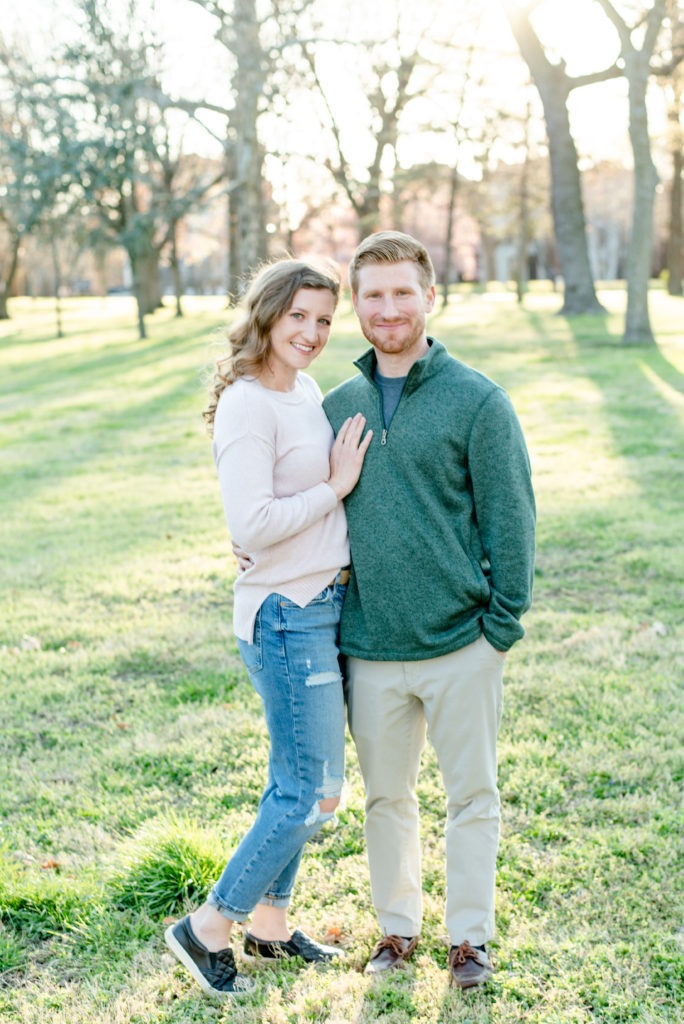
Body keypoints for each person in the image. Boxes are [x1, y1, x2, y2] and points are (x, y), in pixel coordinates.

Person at [322, 231, 536, 990]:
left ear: (430, 297)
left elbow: (512, 521)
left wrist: (499, 628)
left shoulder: (477, 400)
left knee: (471, 795)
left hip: (460, 643)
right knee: (387, 797)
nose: (388, 309)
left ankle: (469, 941)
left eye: (402, 292)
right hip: (370, 645)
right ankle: (397, 930)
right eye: (373, 294)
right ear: (356, 304)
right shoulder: (335, 405)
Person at [165, 257, 372, 999]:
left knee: (300, 784)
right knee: (310, 791)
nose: (314, 333)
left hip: (319, 604)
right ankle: (208, 928)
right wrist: (334, 488)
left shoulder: (305, 390)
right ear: (266, 314)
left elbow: (271, 513)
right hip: (285, 615)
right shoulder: (248, 403)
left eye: (324, 319)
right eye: (299, 317)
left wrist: (320, 505)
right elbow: (250, 520)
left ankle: (272, 925)